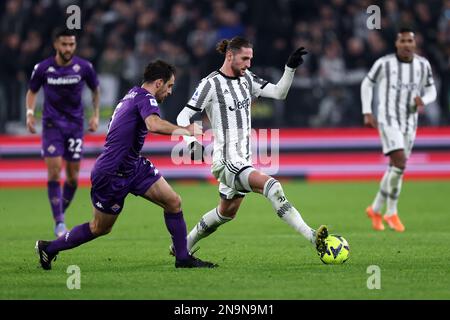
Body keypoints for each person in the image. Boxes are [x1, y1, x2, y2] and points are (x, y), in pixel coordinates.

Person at [35, 60, 217, 270]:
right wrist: (186, 130)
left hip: (133, 166)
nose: (170, 91)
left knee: (173, 201)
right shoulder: (145, 98)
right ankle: (48, 248)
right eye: (170, 85)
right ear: (159, 83)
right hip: (112, 172)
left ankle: (183, 258)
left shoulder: (132, 94)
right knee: (100, 227)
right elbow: (153, 125)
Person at [175, 36, 329, 258]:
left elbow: (279, 93)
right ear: (230, 56)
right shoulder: (210, 84)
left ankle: (183, 246)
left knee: (225, 213)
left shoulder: (247, 78)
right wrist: (190, 143)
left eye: (251, 59)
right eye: (245, 59)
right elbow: (183, 115)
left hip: (244, 160)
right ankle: (313, 237)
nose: (248, 64)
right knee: (272, 186)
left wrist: (290, 69)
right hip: (226, 160)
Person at [25, 28, 100, 237]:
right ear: (56, 45)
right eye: (65, 44)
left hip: (75, 126)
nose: (68, 48)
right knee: (55, 170)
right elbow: (32, 91)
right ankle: (59, 222)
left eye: (72, 44)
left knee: (74, 177)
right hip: (52, 125)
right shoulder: (43, 68)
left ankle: (59, 212)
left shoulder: (84, 67)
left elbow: (95, 89)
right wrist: (30, 113)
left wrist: (95, 115)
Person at [361, 28, 437, 232]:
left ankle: (376, 208)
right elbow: (367, 84)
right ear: (396, 43)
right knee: (400, 163)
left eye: (409, 40)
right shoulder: (384, 63)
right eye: (402, 40)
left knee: (396, 168)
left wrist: (425, 100)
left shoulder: (423, 65)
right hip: (388, 120)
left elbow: (432, 90)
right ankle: (390, 212)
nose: (406, 44)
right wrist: (367, 112)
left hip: (410, 123)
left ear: (414, 43)